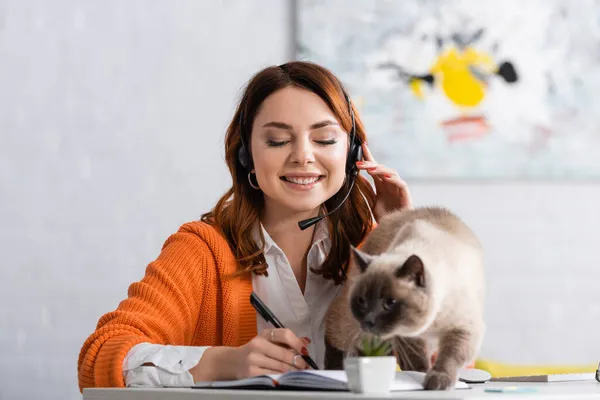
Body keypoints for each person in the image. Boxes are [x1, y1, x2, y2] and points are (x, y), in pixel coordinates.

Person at [77, 61, 413, 391]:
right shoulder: (202, 251)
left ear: (353, 153)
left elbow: (437, 360)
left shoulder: (374, 249)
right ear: (246, 156)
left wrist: (401, 237)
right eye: (278, 141)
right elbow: (99, 359)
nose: (303, 156)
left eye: (324, 139)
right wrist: (223, 364)